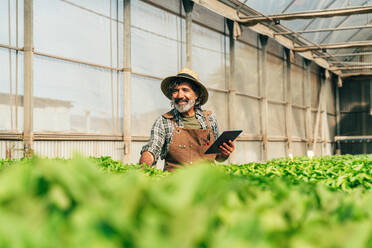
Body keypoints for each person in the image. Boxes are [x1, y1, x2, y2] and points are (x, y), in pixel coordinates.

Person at [139, 68, 235, 171]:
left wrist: (224, 154)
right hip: (175, 183)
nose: (180, 95)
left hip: (207, 182)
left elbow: (218, 157)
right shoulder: (164, 121)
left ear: (196, 94)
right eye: (176, 91)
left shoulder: (210, 120)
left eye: (185, 90)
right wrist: (143, 168)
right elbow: (152, 149)